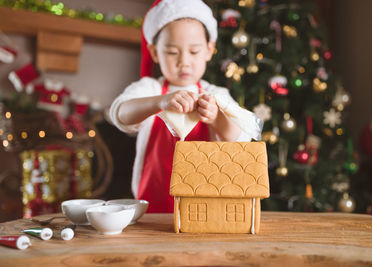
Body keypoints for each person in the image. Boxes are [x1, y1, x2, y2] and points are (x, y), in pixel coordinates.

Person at [109, 0, 262, 213]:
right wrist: (159, 102)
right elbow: (121, 113)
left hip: (205, 207)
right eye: (172, 52)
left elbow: (240, 137)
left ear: (209, 50)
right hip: (152, 209)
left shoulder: (216, 95)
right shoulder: (151, 88)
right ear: (154, 52)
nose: (184, 62)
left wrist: (217, 118)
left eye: (194, 51)